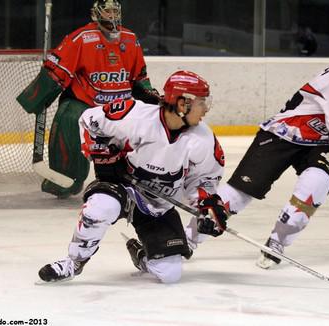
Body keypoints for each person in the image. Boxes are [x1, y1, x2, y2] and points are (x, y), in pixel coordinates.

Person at [193, 34, 329, 269]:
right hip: (283, 133)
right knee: (239, 193)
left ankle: (278, 241)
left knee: (317, 183)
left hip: (321, 142)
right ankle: (188, 239)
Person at [37, 70, 229, 283]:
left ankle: (141, 255)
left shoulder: (203, 140)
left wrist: (208, 205)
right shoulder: (134, 114)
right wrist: (102, 153)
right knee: (100, 207)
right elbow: (89, 120)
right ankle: (73, 263)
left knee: (170, 274)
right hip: (122, 187)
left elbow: (205, 180)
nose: (206, 109)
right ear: (183, 104)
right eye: (202, 103)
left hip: (158, 205)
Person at [17, 0, 159, 199]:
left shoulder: (130, 39)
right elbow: (56, 70)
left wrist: (149, 95)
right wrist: (38, 95)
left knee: (149, 127)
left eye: (114, 11)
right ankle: (65, 178)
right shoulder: (82, 38)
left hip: (120, 107)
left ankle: (147, 177)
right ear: (96, 14)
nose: (111, 16)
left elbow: (139, 77)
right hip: (86, 104)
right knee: (68, 117)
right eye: (107, 11)